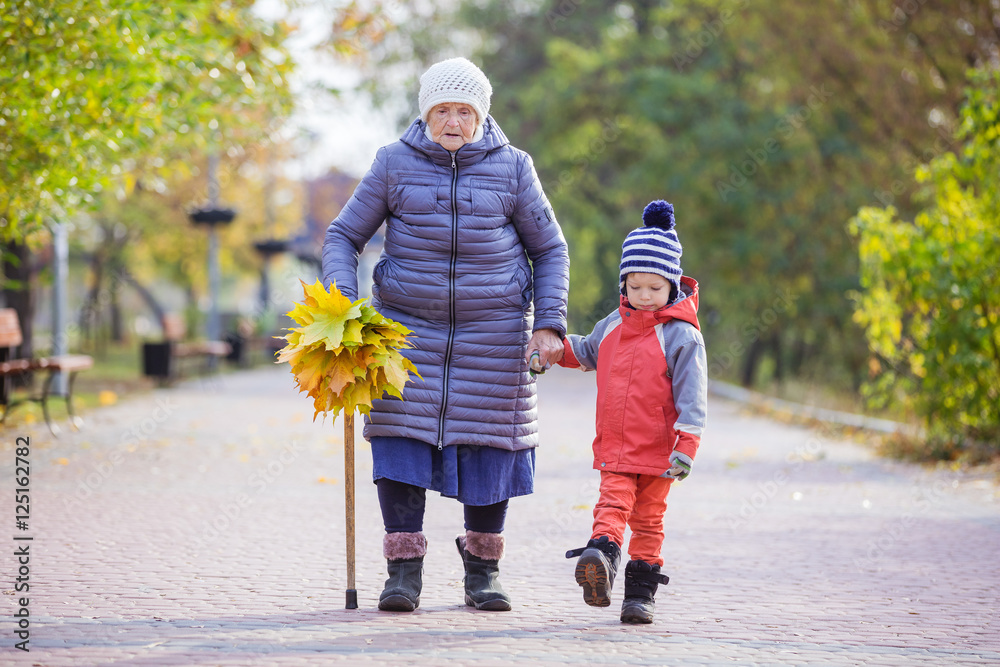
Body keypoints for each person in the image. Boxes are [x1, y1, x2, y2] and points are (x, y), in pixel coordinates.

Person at [322, 57, 569, 613]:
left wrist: (550, 324)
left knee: (489, 451)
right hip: (406, 338)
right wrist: (343, 308)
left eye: (464, 111)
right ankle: (403, 573)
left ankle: (483, 574)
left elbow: (550, 248)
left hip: (495, 335)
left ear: (482, 116)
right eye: (442, 111)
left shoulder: (514, 168)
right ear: (425, 114)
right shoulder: (392, 163)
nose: (453, 121)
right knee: (400, 448)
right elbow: (342, 236)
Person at [558, 200, 707, 624]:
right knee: (612, 503)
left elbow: (694, 396)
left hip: (661, 452)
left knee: (649, 521)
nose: (643, 296)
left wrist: (687, 446)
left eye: (654, 288)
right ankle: (600, 558)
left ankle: (639, 595)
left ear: (672, 287)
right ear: (624, 284)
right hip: (617, 445)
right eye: (635, 286)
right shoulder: (613, 324)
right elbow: (583, 351)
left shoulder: (681, 335)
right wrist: (550, 350)